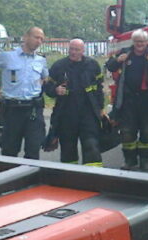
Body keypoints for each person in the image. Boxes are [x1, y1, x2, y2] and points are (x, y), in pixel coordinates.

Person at [106, 29, 148, 171]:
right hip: (128, 100)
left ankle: (144, 160)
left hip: (147, 100)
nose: (140, 44)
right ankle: (129, 160)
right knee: (127, 131)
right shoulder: (125, 52)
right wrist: (118, 60)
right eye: (137, 42)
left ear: (146, 42)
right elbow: (110, 65)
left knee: (147, 132)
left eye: (142, 42)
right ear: (133, 42)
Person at [0, 26, 48, 159]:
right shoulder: (7, 56)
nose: (39, 41)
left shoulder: (41, 60)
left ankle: (30, 179)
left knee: (33, 150)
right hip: (12, 110)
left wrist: (36, 87)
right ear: (26, 37)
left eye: (42, 39)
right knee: (9, 151)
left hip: (33, 110)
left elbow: (45, 78)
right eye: (36, 37)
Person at [43, 39, 104, 167]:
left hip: (88, 113)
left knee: (91, 146)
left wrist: (101, 108)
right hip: (66, 113)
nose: (73, 52)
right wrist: (55, 90)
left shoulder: (92, 65)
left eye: (77, 49)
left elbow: (99, 89)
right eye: (71, 49)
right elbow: (47, 87)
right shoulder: (59, 66)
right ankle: (69, 179)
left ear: (83, 51)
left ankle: (94, 177)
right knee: (68, 148)